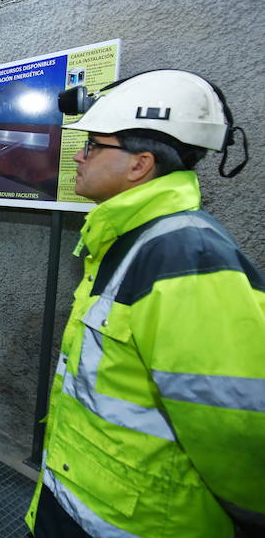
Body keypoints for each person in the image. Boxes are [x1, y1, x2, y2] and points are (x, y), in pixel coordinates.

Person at [26, 70, 264, 538]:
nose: (79, 155)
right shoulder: (125, 240)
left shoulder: (186, 256)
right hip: (84, 505)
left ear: (140, 165)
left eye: (93, 146)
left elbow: (238, 430)